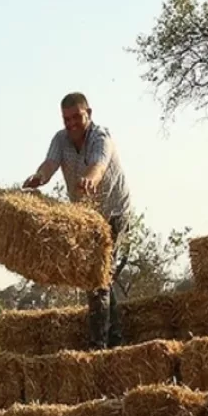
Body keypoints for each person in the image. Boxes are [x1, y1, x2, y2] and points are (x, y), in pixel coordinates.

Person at [23, 92, 132, 349]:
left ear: (89, 114)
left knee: (98, 278)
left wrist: (89, 181)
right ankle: (116, 341)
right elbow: (50, 163)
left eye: (76, 117)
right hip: (87, 220)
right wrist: (39, 177)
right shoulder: (60, 140)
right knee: (98, 279)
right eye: (66, 119)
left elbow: (98, 167)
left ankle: (98, 348)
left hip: (114, 214)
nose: (71, 123)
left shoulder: (101, 138)